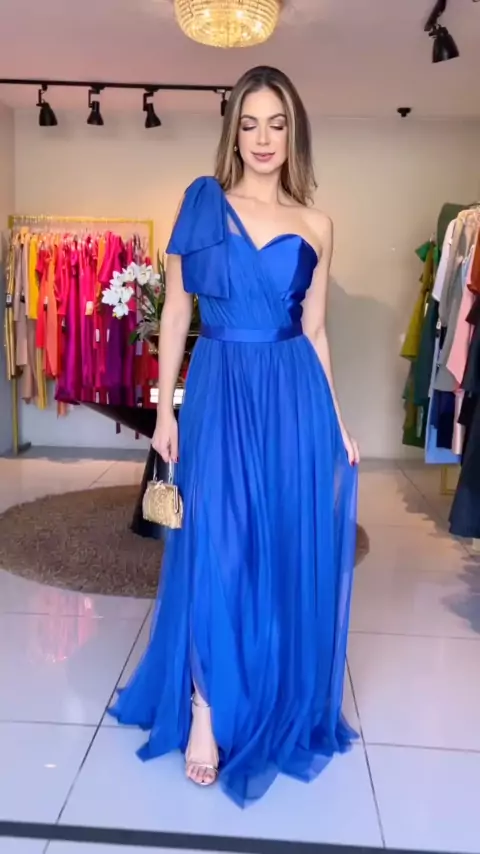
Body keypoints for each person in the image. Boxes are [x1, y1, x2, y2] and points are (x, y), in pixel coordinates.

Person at [110, 65, 360, 807]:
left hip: (293, 397)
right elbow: (177, 313)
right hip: (220, 388)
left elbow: (316, 330)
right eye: (249, 124)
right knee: (216, 543)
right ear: (233, 133)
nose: (263, 138)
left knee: (275, 546)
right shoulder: (203, 204)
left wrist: (337, 420)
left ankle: (265, 683)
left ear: (294, 133)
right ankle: (204, 707)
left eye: (277, 124)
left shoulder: (318, 225)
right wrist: (164, 411)